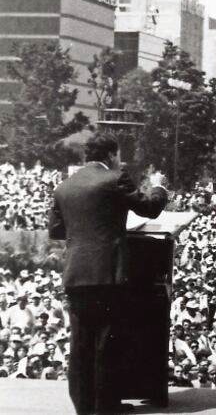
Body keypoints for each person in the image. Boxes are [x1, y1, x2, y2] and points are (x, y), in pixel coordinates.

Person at [49, 132, 170, 415]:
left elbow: (56, 231)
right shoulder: (116, 177)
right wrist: (159, 187)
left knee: (80, 344)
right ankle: (106, 408)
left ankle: (84, 406)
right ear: (111, 155)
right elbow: (149, 208)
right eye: (119, 155)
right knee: (106, 341)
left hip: (76, 274)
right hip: (108, 272)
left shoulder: (64, 186)